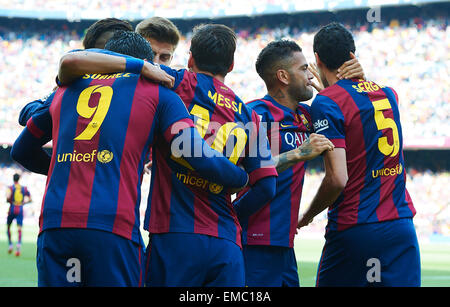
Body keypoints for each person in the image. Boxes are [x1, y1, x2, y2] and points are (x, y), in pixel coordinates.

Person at [11, 30, 249, 287]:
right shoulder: (160, 95)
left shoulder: (66, 90)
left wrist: (73, 167)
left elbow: (21, 150)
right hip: (113, 226)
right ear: (147, 64)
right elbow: (195, 153)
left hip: (55, 224)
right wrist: (239, 177)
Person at [60, 23, 279, 287]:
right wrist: (232, 213)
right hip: (227, 243)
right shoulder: (252, 116)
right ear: (231, 65)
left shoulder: (174, 82)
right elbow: (267, 186)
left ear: (190, 59)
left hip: (174, 234)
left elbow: (106, 68)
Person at [297, 22, 420, 287]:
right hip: (401, 226)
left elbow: (337, 179)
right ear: (353, 56)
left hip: (356, 227)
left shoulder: (327, 102)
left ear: (317, 59)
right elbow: (361, 105)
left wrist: (307, 215)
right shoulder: (390, 94)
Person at [235, 39, 364, 287]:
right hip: (253, 242)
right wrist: (296, 154)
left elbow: (351, 114)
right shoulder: (254, 114)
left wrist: (344, 83)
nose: (310, 75)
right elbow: (238, 174)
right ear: (283, 76)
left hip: (285, 244)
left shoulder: (307, 116)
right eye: (303, 69)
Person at [18, 18, 134, 127]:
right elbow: (26, 114)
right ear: (88, 55)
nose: (112, 57)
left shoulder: (138, 84)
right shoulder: (76, 85)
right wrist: (57, 97)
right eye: (103, 52)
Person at [135, 17, 182, 173]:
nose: (156, 63)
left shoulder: (173, 94)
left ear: (171, 59)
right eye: (151, 54)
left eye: (164, 57)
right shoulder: (115, 82)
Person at [6, 173, 31, 257]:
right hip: (20, 208)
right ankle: (18, 247)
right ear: (19, 179)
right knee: (19, 228)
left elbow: (8, 197)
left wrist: (9, 200)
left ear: (13, 179)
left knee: (8, 227)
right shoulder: (24, 188)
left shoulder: (10, 188)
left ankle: (10, 245)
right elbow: (29, 198)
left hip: (12, 208)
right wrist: (23, 202)